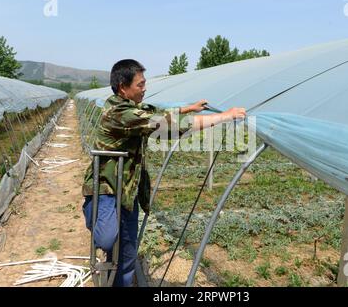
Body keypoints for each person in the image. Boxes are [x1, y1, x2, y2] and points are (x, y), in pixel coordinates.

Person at [82, 59, 246, 287]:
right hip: (107, 188)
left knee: (127, 257)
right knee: (108, 238)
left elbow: (155, 112)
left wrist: (188, 107)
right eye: (140, 85)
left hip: (128, 191)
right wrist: (224, 116)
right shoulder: (118, 114)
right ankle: (94, 214)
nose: (144, 88)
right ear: (123, 87)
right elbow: (164, 124)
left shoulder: (130, 108)